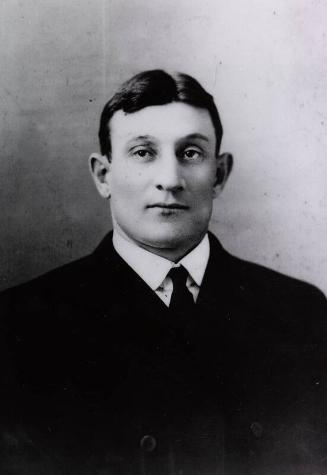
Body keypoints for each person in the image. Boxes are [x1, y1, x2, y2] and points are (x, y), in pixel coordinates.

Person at [1, 69, 327, 475]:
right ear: (104, 175)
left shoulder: (300, 313)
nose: (170, 181)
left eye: (191, 153)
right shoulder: (22, 323)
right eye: (143, 152)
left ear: (219, 174)